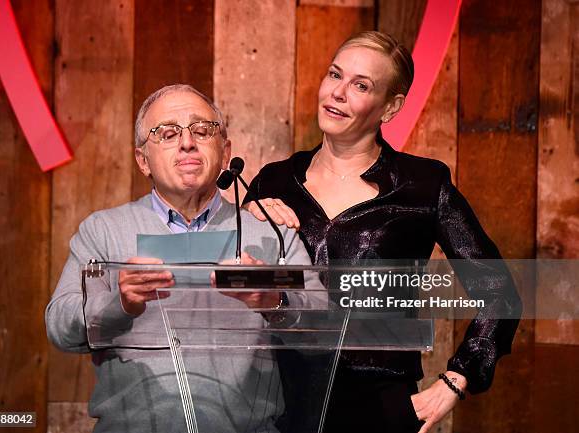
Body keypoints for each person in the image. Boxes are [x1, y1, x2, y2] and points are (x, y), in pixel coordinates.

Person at [244, 31, 521, 433]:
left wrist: (456, 380)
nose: (338, 92)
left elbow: (500, 294)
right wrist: (241, 223)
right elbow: (233, 287)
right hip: (278, 400)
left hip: (377, 407)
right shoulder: (274, 181)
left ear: (390, 108)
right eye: (334, 75)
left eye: (360, 85)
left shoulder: (423, 184)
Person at [45, 84, 321, 433]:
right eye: (167, 133)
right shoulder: (103, 230)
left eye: (202, 130)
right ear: (142, 160)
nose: (187, 142)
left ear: (225, 152)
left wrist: (274, 301)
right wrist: (119, 302)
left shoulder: (268, 232)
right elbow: (59, 328)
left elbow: (321, 323)